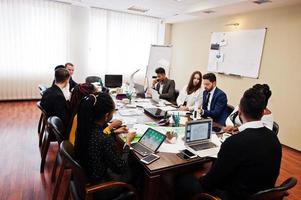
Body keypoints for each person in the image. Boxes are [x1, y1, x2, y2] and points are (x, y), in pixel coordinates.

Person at [175, 88, 282, 200]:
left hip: (235, 196)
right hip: (263, 195)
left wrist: (202, 178)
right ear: (263, 113)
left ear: (239, 111)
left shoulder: (235, 142)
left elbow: (211, 182)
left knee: (183, 180)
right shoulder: (274, 138)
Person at [74, 93, 138, 199]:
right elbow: (120, 168)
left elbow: (98, 141)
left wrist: (113, 132)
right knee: (137, 167)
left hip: (89, 175)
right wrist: (127, 143)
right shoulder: (103, 139)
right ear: (107, 115)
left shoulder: (84, 129)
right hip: (101, 187)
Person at [41, 68, 70, 133]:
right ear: (67, 80)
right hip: (57, 128)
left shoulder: (47, 91)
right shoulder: (58, 96)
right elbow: (64, 119)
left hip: (50, 122)